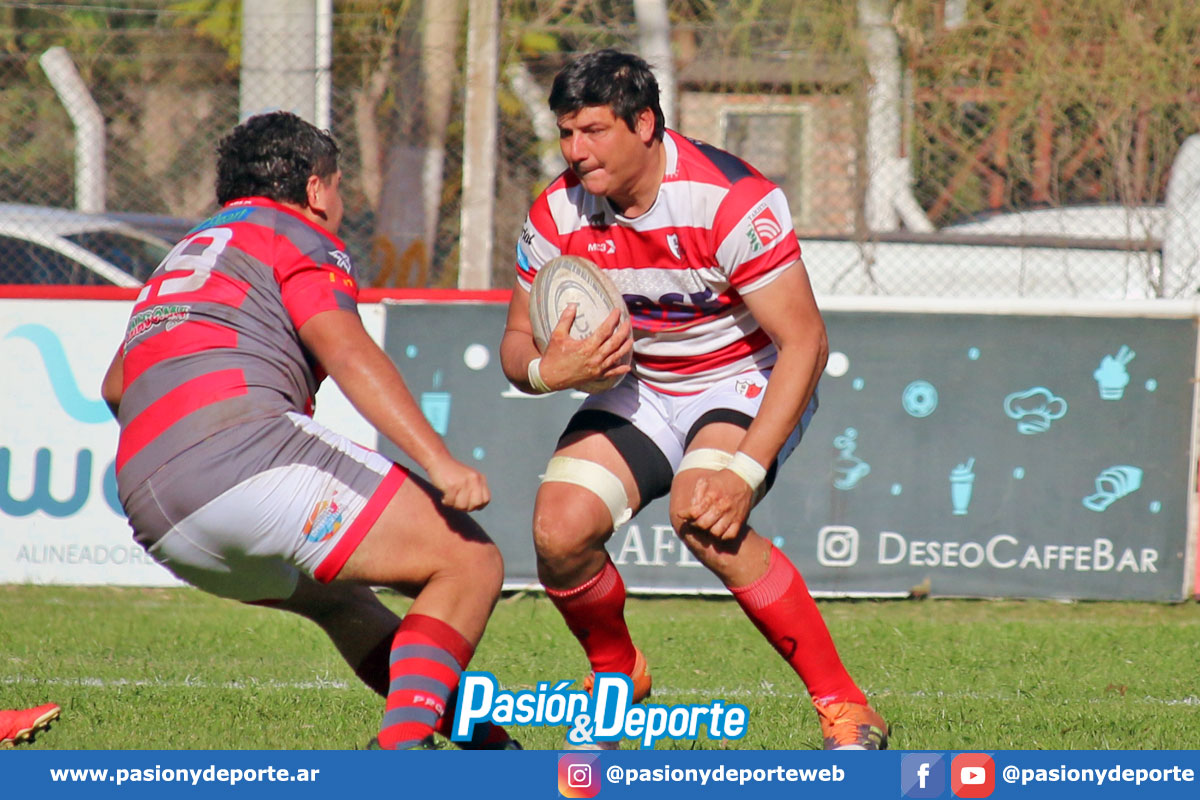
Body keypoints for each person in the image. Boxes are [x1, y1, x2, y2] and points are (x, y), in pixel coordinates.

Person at [499, 49, 887, 750]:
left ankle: (847, 707)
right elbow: (516, 341)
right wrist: (545, 372)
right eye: (566, 133)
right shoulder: (556, 212)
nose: (575, 152)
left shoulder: (730, 199)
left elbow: (806, 343)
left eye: (594, 131)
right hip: (640, 385)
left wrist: (744, 472)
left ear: (645, 123)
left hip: (744, 376)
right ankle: (617, 675)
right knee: (559, 532)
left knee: (704, 514)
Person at [101, 111, 515, 750]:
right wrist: (439, 461)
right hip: (241, 456)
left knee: (342, 603)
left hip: (152, 510)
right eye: (340, 186)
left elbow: (116, 386)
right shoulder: (295, 231)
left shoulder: (187, 252)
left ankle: (485, 747)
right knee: (469, 561)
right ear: (316, 188)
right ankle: (400, 753)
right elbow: (345, 348)